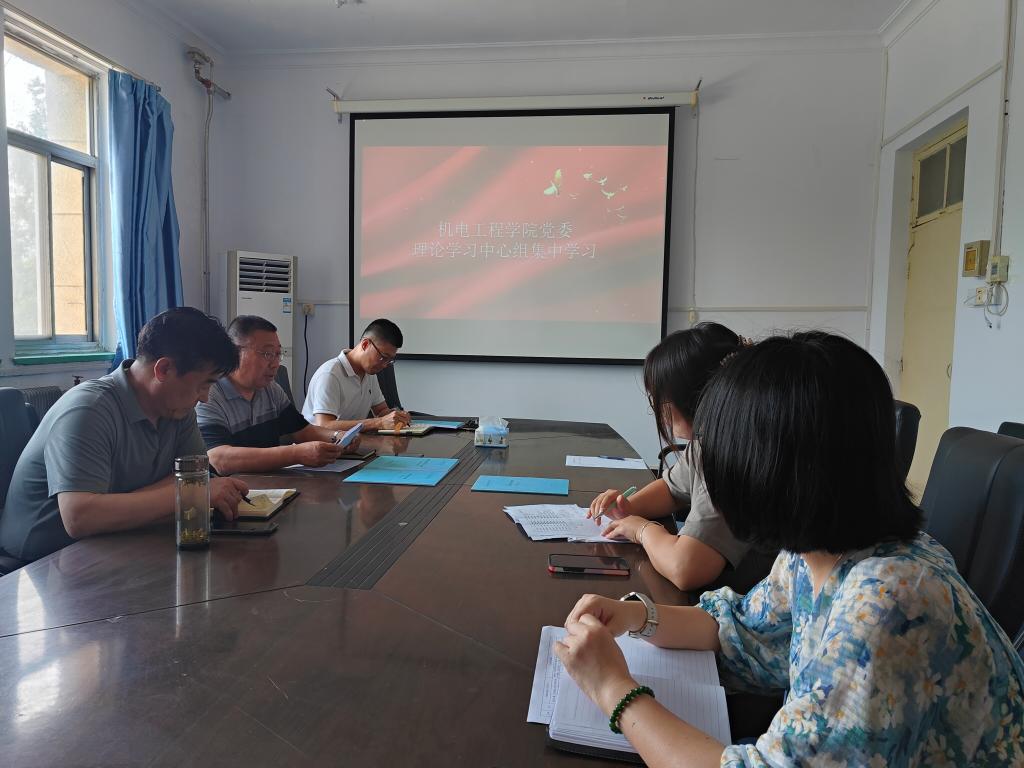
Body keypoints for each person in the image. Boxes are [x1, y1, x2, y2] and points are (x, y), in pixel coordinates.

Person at [557, 332, 1024, 766]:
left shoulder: (887, 607)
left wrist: (612, 689)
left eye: (722, 455)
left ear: (769, 469)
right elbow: (741, 629)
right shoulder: (817, 553)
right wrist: (636, 617)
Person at [0, 308, 250, 563]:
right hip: (41, 561)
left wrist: (188, 490)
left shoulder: (177, 409)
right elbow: (79, 517)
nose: (205, 398)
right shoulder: (89, 409)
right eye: (204, 384)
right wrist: (187, 494)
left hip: (118, 543)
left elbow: (196, 477)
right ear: (164, 369)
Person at [587, 324, 752, 591]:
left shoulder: (732, 457)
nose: (658, 409)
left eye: (659, 399)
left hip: (745, 601)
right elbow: (673, 489)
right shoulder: (708, 444)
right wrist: (627, 507)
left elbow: (685, 569)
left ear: (694, 398)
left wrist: (642, 530)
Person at [196, 315, 356, 474]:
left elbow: (303, 432)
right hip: (231, 487)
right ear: (235, 352)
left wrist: (338, 436)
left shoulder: (270, 389)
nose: (275, 364)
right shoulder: (208, 394)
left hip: (271, 483)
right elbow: (219, 459)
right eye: (267, 354)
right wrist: (296, 454)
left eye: (278, 354)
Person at [302, 319, 411, 433]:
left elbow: (381, 410)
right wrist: (378, 423)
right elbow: (324, 425)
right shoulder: (330, 375)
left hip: (351, 440)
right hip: (320, 442)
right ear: (365, 344)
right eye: (383, 357)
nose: (384, 365)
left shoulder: (369, 373)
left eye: (389, 360)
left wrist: (397, 416)